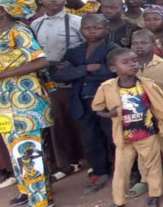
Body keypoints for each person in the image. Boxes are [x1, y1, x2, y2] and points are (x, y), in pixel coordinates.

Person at [93, 48, 163, 207]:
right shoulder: (107, 88)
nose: (133, 64)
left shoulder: (147, 85)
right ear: (113, 68)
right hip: (124, 138)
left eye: (135, 60)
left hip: (147, 134)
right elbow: (97, 108)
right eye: (126, 62)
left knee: (153, 166)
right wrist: (110, 114)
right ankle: (118, 201)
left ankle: (154, 196)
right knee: (121, 171)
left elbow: (160, 105)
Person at [0, 0, 54, 207]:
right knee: (17, 151)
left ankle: (40, 203)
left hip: (23, 103)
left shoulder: (19, 31)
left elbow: (41, 61)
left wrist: (0, 76)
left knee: (28, 152)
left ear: (1, 14)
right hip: (5, 105)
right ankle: (28, 192)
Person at [51, 14, 118, 195]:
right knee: (90, 139)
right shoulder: (74, 51)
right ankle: (100, 171)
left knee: (113, 137)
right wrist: (87, 68)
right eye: (88, 28)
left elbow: (111, 72)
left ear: (106, 29)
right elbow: (58, 75)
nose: (92, 32)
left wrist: (75, 71)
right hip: (81, 101)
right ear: (81, 30)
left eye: (97, 28)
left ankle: (125, 170)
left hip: (106, 101)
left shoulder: (112, 50)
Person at [31, 0, 85, 179]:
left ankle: (84, 157)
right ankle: (67, 160)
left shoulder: (75, 21)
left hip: (74, 77)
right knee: (58, 119)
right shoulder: (36, 24)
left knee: (78, 118)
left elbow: (86, 45)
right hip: (49, 79)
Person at [128, 30, 163, 197]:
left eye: (143, 43)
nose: (139, 47)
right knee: (144, 150)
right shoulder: (128, 66)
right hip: (139, 116)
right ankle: (145, 180)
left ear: (154, 45)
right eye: (135, 43)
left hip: (162, 114)